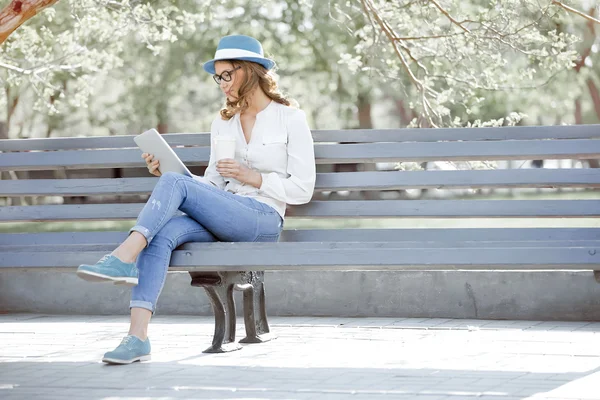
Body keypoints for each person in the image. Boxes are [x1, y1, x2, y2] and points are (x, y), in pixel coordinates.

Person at [76, 34, 316, 364]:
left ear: (249, 70)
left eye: (226, 75)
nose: (221, 84)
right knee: (162, 235)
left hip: (261, 219)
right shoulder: (223, 122)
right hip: (225, 211)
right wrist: (166, 174)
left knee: (176, 189)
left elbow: (303, 190)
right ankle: (137, 338)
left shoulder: (290, 118)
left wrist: (253, 177)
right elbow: (213, 185)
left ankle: (123, 255)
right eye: (217, 77)